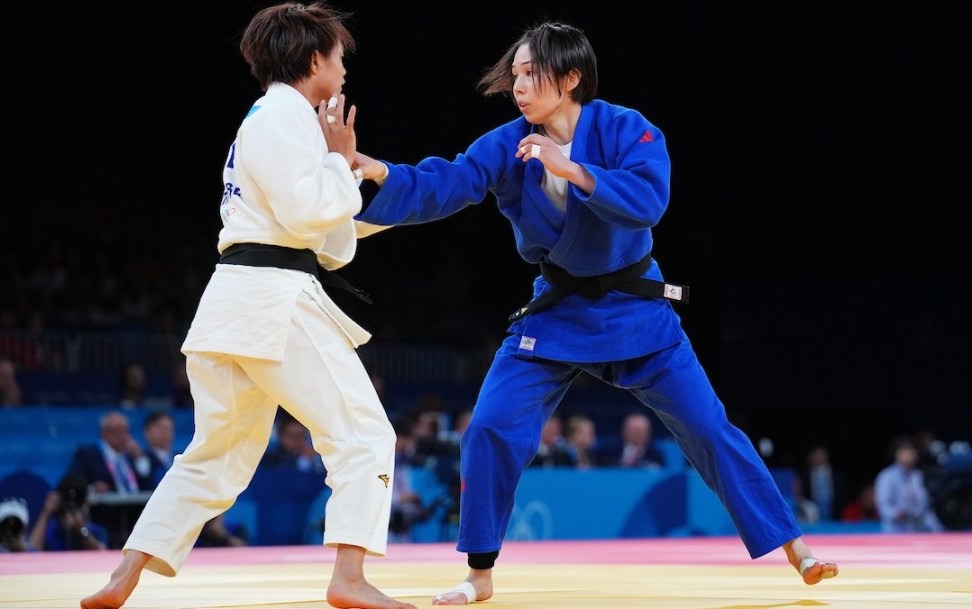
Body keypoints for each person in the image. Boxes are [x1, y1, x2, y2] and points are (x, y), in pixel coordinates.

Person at [351, 20, 838, 604]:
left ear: (572, 77)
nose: (519, 84)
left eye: (533, 73)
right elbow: (452, 179)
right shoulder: (510, 142)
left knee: (710, 429)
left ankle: (796, 550)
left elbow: (648, 202)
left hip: (636, 312)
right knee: (488, 428)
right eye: (517, 73)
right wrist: (377, 169)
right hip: (555, 314)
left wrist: (573, 169)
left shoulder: (629, 129)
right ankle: (478, 574)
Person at [80, 4, 413, 609]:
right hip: (273, 302)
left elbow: (324, 237)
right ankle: (350, 578)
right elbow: (310, 216)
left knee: (217, 454)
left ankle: (123, 575)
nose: (344, 70)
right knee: (364, 435)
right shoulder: (286, 117)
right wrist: (341, 159)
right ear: (313, 60)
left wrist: (357, 183)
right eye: (339, 57)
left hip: (235, 302)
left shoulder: (269, 120)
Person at [874, 434, 944, 533]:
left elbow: (925, 506)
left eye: (911, 451)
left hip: (919, 530)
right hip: (894, 531)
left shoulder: (919, 475)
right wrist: (896, 514)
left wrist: (937, 529)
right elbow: (883, 506)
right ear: (896, 454)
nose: (908, 455)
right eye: (904, 452)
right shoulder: (886, 477)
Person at [28, 474, 109, 551]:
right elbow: (32, 550)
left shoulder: (94, 531)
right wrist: (46, 512)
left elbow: (101, 553)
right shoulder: (51, 529)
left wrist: (81, 529)